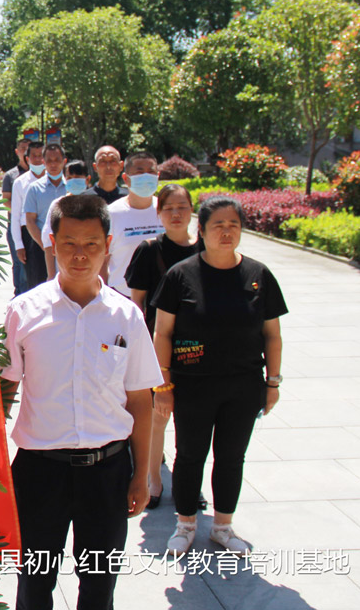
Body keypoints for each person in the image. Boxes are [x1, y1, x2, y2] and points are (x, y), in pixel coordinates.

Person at [2, 194, 161, 610]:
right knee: (34, 584)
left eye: (91, 243)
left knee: (99, 586)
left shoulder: (126, 316)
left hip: (106, 472)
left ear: (108, 245)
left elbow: (141, 402)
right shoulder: (23, 312)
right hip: (39, 471)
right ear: (52, 242)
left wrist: (140, 475)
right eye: (69, 242)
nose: (80, 254)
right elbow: (2, 392)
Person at [153, 196, 286, 556]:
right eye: (218, 226)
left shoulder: (258, 275)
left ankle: (223, 527)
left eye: (234, 226)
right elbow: (162, 332)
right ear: (203, 230)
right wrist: (162, 384)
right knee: (189, 455)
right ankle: (185, 524)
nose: (226, 232)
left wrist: (272, 382)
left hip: (243, 386)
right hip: (192, 384)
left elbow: (272, 335)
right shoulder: (181, 275)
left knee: (231, 457)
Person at [124, 183, 203, 510]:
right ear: (158, 213)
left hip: (199, 347)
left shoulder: (205, 249)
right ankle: (154, 481)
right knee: (158, 416)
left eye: (182, 207)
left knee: (194, 421)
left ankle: (190, 484)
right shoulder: (149, 250)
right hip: (160, 345)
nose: (176, 214)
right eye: (169, 208)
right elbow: (138, 304)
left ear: (191, 212)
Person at [104, 152, 164, 296]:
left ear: (158, 176)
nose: (146, 176)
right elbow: (102, 259)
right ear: (126, 178)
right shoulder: (111, 214)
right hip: (121, 296)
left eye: (151, 172)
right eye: (140, 172)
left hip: (161, 298)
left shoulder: (166, 210)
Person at [14, 143, 66, 291]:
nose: (53, 164)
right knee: (39, 289)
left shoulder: (71, 187)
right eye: (49, 160)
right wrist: (47, 247)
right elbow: (29, 221)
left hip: (68, 248)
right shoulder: (34, 189)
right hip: (40, 247)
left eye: (57, 159)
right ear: (44, 162)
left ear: (64, 161)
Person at [2, 139, 44, 295]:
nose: (38, 159)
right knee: (26, 272)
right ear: (27, 157)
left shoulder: (54, 180)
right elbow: (13, 211)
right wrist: (19, 243)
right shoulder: (17, 180)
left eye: (41, 155)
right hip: (26, 231)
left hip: (48, 232)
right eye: (34, 155)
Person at [39, 159, 92, 278]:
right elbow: (48, 242)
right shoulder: (58, 205)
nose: (73, 180)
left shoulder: (95, 205)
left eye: (78, 177)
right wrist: (51, 275)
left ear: (87, 179)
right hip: (64, 270)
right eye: (70, 177)